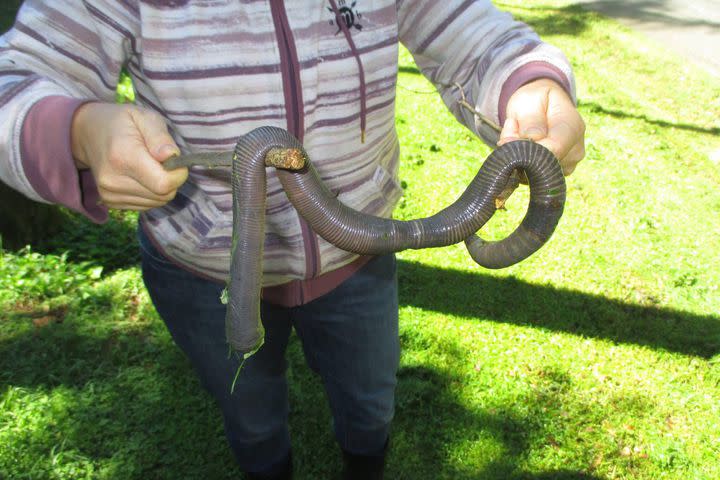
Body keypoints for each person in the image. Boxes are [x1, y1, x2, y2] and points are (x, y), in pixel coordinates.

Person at [0, 1, 585, 478]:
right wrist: (77, 130)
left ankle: (364, 461)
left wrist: (528, 82)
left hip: (359, 261)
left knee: (369, 395)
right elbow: (13, 82)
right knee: (250, 413)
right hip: (203, 274)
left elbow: (467, 30)